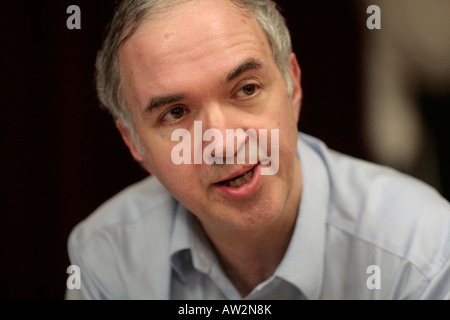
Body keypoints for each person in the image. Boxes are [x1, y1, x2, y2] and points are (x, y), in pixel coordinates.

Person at [66, 0, 450, 299]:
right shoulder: (106, 254)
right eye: (176, 113)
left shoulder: (422, 252)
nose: (224, 144)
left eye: (247, 89)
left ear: (292, 86)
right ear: (133, 142)